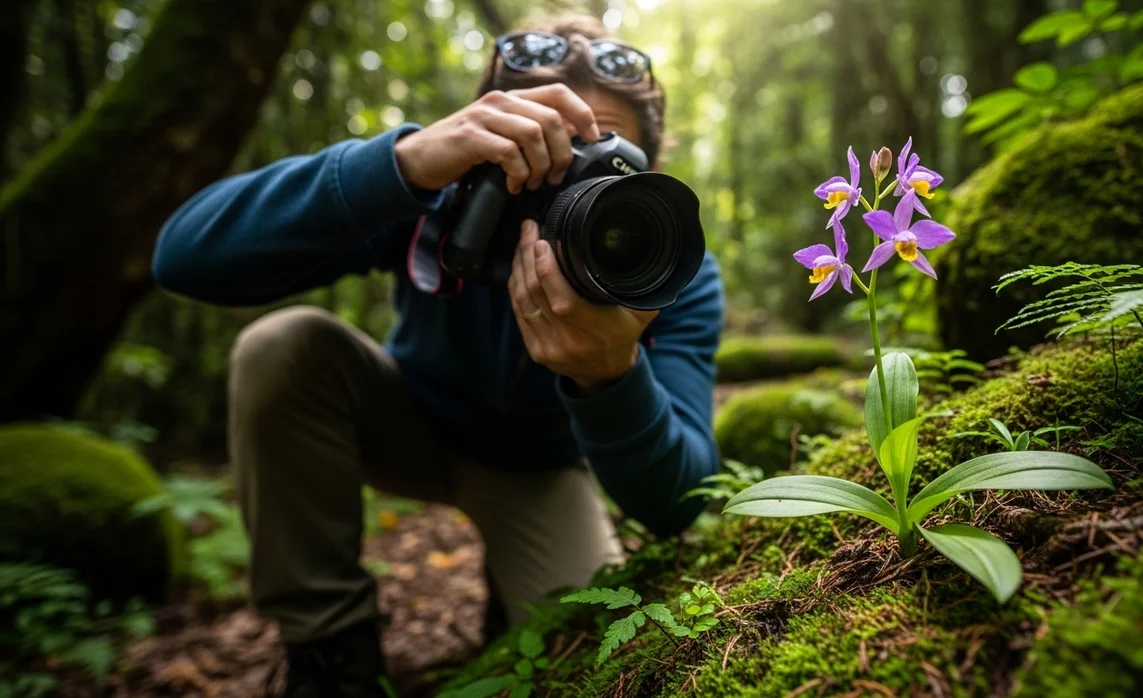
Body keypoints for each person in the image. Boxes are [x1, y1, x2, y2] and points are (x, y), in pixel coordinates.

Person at [151, 12, 724, 698]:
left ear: (653, 169)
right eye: (552, 152)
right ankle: (332, 653)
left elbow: (680, 501)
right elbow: (183, 257)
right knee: (283, 346)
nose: (576, 185)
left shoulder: (671, 270)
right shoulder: (439, 202)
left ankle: (505, 604)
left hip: (537, 471)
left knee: (585, 647)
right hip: (407, 422)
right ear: (485, 137)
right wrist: (403, 165)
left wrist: (610, 375)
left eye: (610, 155)